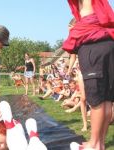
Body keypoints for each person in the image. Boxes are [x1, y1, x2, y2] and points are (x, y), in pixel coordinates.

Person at [62, 0, 114, 149]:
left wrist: (76, 28)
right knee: (107, 99)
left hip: (93, 46)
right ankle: (100, 143)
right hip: (108, 43)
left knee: (97, 99)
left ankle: (94, 144)